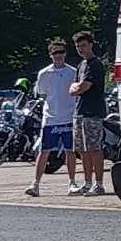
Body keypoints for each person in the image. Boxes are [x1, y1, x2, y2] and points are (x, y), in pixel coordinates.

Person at [24, 40, 78, 197]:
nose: (58, 55)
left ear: (65, 53)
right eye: (55, 52)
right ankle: (36, 184)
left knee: (70, 151)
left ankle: (72, 183)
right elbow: (43, 94)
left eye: (61, 52)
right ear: (50, 55)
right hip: (51, 118)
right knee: (44, 151)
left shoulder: (73, 72)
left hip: (69, 116)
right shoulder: (44, 73)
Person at [68, 30, 108, 196]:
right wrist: (76, 88)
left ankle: (99, 184)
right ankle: (87, 182)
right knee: (83, 150)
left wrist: (77, 88)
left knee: (94, 148)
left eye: (83, 45)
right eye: (78, 46)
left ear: (91, 45)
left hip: (93, 112)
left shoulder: (95, 65)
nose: (81, 49)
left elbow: (83, 87)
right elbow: (73, 87)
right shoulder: (81, 65)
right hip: (79, 112)